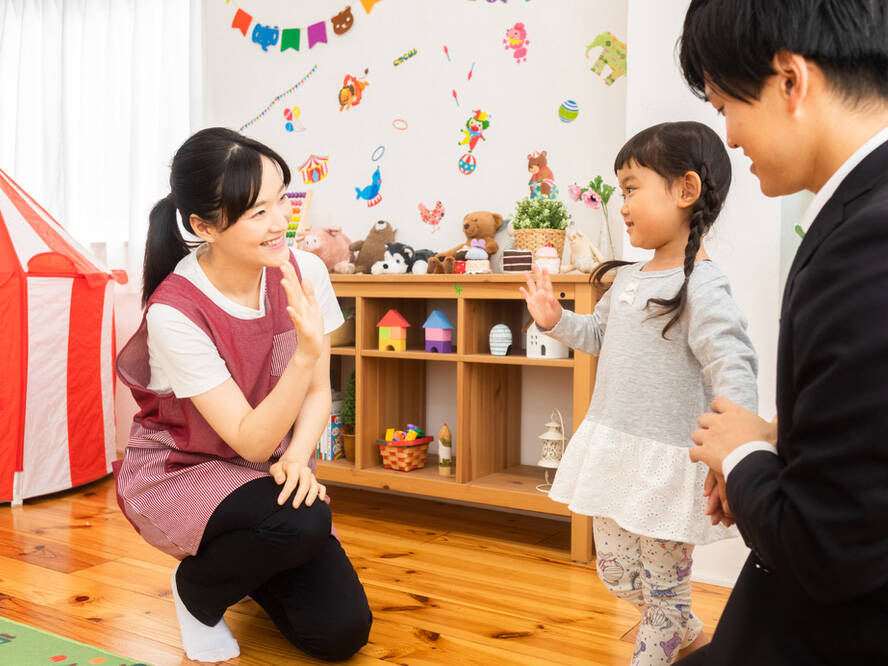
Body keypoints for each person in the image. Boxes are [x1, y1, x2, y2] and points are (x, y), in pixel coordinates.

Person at [674, 1, 888, 664]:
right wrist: (779, 442)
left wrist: (743, 459)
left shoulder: (864, 246)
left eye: (725, 105)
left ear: (791, 82)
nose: (729, 137)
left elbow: (825, 547)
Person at [114, 127, 372, 663]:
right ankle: (198, 593)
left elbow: (320, 393)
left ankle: (251, 560)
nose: (280, 222)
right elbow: (251, 442)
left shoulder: (307, 270)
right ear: (203, 225)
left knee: (340, 633)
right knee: (302, 519)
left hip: (267, 469)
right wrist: (303, 353)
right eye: (257, 212)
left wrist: (300, 459)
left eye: (281, 199)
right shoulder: (174, 311)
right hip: (183, 468)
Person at [521, 121, 758, 666]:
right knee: (616, 573)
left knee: (663, 595)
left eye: (631, 188)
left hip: (669, 464)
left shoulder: (701, 283)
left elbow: (732, 361)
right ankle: (686, 631)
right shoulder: (627, 279)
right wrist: (558, 320)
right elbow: (600, 336)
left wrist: (735, 444)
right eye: (621, 191)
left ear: (685, 190)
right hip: (614, 450)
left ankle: (667, 634)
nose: (622, 204)